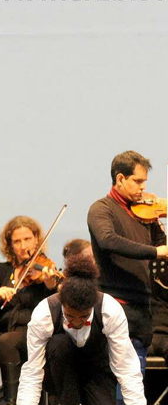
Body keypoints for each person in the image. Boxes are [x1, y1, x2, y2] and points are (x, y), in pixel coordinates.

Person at [87, 150, 168, 404]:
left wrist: (159, 228)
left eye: (145, 182)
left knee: (135, 385)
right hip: (115, 305)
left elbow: (161, 246)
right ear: (120, 178)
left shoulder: (145, 213)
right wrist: (156, 251)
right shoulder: (101, 209)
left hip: (141, 309)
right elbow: (108, 240)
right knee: (114, 389)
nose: (143, 188)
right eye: (138, 181)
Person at [16, 253, 146, 405]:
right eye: (70, 316)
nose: (77, 322)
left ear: (92, 305)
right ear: (63, 302)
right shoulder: (44, 313)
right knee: (58, 343)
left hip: (98, 369)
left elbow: (126, 368)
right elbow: (32, 372)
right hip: (61, 372)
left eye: (83, 316)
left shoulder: (109, 309)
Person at [0, 216, 59, 405]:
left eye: (27, 239)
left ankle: (12, 401)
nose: (23, 245)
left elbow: (55, 303)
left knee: (7, 341)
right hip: (5, 329)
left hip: (32, 332)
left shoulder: (44, 269)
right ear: (10, 245)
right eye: (17, 241)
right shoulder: (4, 270)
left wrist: (51, 285)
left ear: (36, 238)